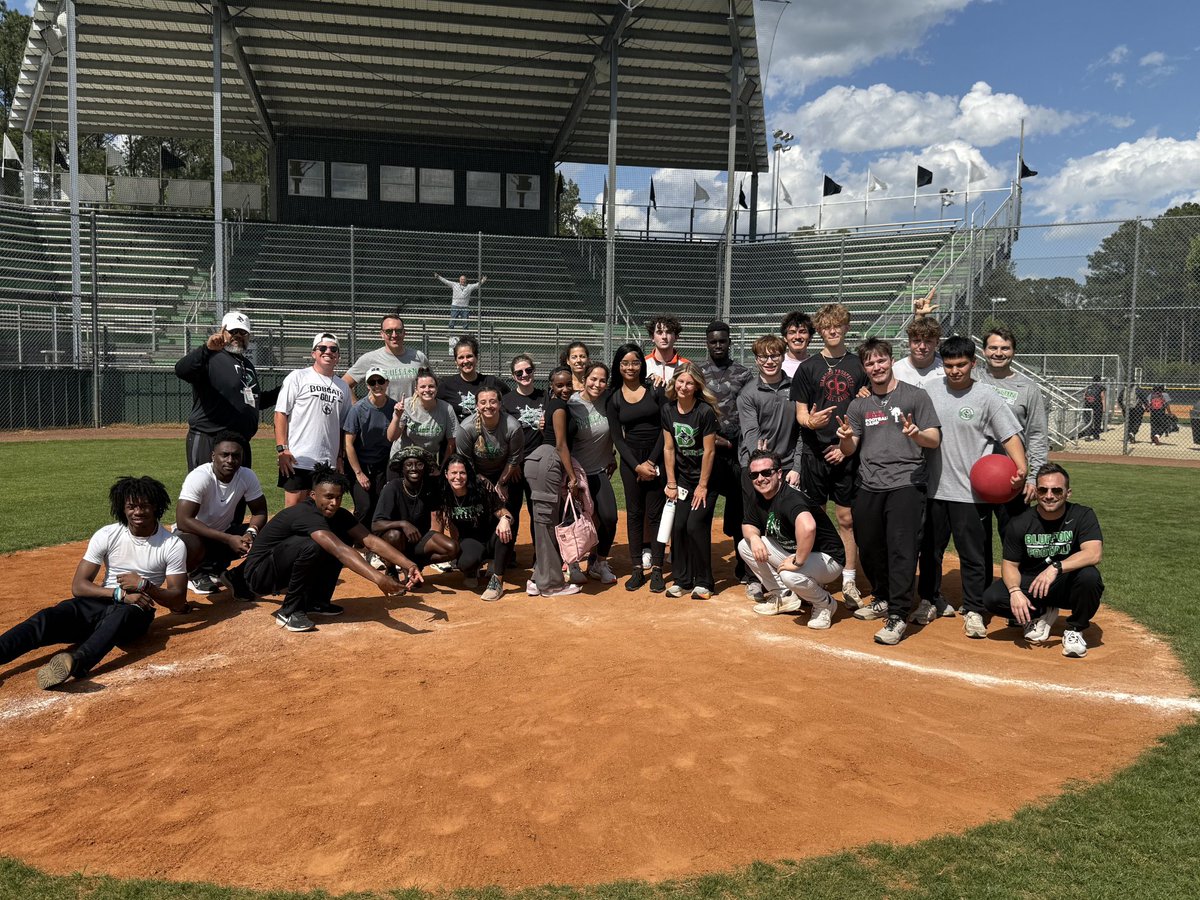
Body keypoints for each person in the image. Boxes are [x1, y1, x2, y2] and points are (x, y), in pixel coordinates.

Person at [1, 476, 188, 689]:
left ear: (156, 507)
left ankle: (75, 663)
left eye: (144, 506)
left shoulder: (172, 544)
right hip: (104, 599)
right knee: (47, 618)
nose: (138, 512)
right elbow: (79, 586)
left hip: (137, 611)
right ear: (122, 508)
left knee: (123, 614)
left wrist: (145, 586)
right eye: (131, 506)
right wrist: (120, 595)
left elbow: (178, 599)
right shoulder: (107, 534)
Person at [835, 340, 942, 645]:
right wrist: (844, 439)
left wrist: (916, 434)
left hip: (906, 484)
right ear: (864, 368)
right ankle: (882, 596)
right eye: (870, 364)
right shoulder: (860, 404)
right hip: (869, 484)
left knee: (901, 548)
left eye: (881, 361)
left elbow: (934, 439)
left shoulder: (914, 396)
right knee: (870, 545)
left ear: (891, 361)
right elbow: (851, 447)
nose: (876, 367)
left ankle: (897, 613)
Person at [234, 464, 422, 632]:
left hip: (279, 567)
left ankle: (318, 602)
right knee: (315, 545)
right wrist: (379, 578)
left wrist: (408, 564)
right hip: (259, 575)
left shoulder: (339, 515)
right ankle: (289, 611)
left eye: (338, 498)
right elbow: (339, 551)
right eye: (328, 497)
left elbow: (370, 540)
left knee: (339, 538)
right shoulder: (306, 513)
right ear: (313, 495)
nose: (334, 503)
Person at [922, 336, 1027, 632]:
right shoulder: (929, 391)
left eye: (961, 365)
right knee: (930, 552)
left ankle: (974, 608)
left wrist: (1021, 468)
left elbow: (1009, 436)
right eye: (950, 365)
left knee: (973, 556)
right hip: (934, 490)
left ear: (973, 363)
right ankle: (929, 599)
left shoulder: (987, 396)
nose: (955, 371)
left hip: (972, 494)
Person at [966, 464, 1103, 658]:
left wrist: (1056, 567)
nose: (1049, 495)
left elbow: (1093, 553)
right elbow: (1010, 565)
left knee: (1090, 577)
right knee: (993, 598)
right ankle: (1040, 614)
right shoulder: (1020, 522)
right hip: (1032, 583)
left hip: (1066, 582)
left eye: (1056, 490)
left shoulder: (1082, 515)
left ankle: (1075, 629)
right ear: (1036, 491)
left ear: (1068, 493)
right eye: (1043, 490)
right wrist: (1014, 592)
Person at [790, 303, 868, 608]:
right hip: (814, 453)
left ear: (846, 327)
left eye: (838, 325)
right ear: (818, 331)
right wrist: (811, 421)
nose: (832, 330)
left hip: (847, 453)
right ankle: (815, 575)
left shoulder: (859, 365)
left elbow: (867, 412)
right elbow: (799, 413)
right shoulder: (808, 367)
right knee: (814, 517)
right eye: (826, 326)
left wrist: (845, 447)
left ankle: (849, 579)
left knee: (846, 518)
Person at [738, 450, 844, 628]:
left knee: (789, 574)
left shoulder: (790, 498)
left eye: (766, 472)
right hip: (800, 552)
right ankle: (784, 595)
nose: (760, 478)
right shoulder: (758, 496)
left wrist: (798, 561)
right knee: (745, 545)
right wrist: (755, 539)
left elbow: (808, 526)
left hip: (828, 560)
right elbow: (748, 524)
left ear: (779, 474)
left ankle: (824, 603)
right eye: (754, 474)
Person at [175, 310, 278, 470]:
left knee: (238, 494)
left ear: (249, 336)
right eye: (233, 331)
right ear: (223, 332)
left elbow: (254, 400)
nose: (238, 335)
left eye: (243, 332)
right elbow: (181, 370)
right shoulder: (211, 357)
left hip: (240, 442)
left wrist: (283, 391)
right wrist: (207, 349)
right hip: (210, 438)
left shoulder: (247, 365)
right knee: (206, 491)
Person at [174, 432, 268, 595]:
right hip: (192, 536)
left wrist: (250, 533)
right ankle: (194, 574)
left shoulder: (246, 476)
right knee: (192, 544)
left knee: (269, 535)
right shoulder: (200, 477)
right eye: (224, 455)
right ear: (213, 456)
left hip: (221, 535)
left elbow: (259, 511)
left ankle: (230, 574)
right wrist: (229, 539)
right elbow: (183, 520)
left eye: (236, 456)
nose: (230, 460)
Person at [976, 327, 1049, 537]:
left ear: (1013, 352)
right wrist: (920, 318)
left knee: (1015, 538)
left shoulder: (1028, 388)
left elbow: (1037, 435)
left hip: (1014, 476)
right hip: (976, 474)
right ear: (984, 351)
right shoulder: (972, 378)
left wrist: (1034, 477)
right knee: (976, 541)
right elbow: (935, 359)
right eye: (993, 347)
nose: (999, 353)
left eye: (1005, 348)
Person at [607, 343, 666, 592]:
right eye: (625, 363)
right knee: (633, 514)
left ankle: (658, 570)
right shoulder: (614, 397)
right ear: (618, 367)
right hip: (631, 462)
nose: (630, 367)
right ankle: (636, 570)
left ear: (642, 364)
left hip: (656, 458)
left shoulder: (655, 389)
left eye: (635, 362)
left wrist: (651, 462)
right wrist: (636, 466)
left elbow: (666, 428)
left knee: (655, 515)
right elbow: (617, 438)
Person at [699, 321, 754, 583]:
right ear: (707, 343)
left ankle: (743, 565)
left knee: (738, 511)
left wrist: (736, 444)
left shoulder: (743, 374)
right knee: (703, 509)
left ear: (730, 342)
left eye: (722, 341)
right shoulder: (698, 373)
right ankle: (699, 566)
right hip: (708, 451)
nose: (718, 345)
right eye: (713, 341)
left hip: (736, 451)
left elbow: (749, 412)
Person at [522, 367, 583, 598]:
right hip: (548, 461)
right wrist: (573, 477)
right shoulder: (558, 406)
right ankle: (551, 585)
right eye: (560, 385)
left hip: (545, 462)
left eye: (568, 384)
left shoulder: (557, 405)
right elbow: (561, 444)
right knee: (547, 525)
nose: (565, 389)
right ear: (551, 386)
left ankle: (538, 579)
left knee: (546, 524)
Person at [661, 362, 720, 599]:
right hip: (683, 478)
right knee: (679, 527)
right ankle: (682, 580)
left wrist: (703, 486)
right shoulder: (667, 410)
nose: (684, 387)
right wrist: (672, 483)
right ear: (674, 383)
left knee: (695, 526)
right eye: (681, 381)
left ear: (697, 387)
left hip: (707, 479)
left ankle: (704, 581)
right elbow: (668, 448)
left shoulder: (704, 412)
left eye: (689, 383)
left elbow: (709, 452)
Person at [275, 332, 353, 508]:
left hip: (328, 461)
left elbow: (343, 426)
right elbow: (280, 413)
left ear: (338, 356)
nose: (328, 351)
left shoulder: (342, 387)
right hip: (298, 457)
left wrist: (340, 456)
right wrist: (282, 450)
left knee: (324, 508)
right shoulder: (298, 377)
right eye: (322, 348)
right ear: (313, 353)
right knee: (294, 507)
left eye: (333, 349)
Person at [569, 362, 618, 584]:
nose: (597, 384)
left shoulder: (609, 401)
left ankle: (599, 562)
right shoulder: (572, 403)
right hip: (576, 472)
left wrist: (612, 455)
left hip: (599, 470)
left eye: (602, 380)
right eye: (593, 379)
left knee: (609, 517)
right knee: (575, 521)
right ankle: (571, 564)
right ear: (584, 378)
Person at [372, 446, 459, 573]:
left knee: (453, 548)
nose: (414, 469)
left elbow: (438, 515)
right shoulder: (392, 487)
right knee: (394, 535)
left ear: (425, 468)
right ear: (402, 469)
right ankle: (391, 569)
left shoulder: (429, 487)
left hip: (418, 539)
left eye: (419, 464)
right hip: (394, 541)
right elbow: (375, 525)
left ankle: (416, 564)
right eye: (408, 465)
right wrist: (403, 524)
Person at [442, 454, 516, 602]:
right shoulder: (444, 493)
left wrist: (505, 519)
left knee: (506, 530)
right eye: (454, 473)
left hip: (491, 538)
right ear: (446, 474)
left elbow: (505, 513)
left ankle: (497, 580)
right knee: (465, 563)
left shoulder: (481, 488)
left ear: (468, 474)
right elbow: (450, 524)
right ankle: (472, 568)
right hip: (470, 540)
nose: (458, 477)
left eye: (462, 473)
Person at [500, 353, 546, 546]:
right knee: (513, 507)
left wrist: (546, 428)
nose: (524, 375)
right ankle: (509, 553)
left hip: (539, 462)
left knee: (538, 509)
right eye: (519, 372)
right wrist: (513, 462)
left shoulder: (545, 396)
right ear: (513, 376)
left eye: (528, 370)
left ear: (534, 371)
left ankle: (540, 554)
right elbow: (503, 436)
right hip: (516, 463)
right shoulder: (507, 400)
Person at [344, 366, 398, 527]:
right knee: (364, 506)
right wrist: (359, 473)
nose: (377, 385)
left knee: (381, 505)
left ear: (387, 383)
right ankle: (357, 544)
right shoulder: (358, 409)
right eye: (372, 382)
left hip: (382, 465)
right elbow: (348, 444)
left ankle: (376, 544)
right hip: (359, 464)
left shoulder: (394, 408)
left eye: (380, 381)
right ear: (367, 385)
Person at [342, 313, 429, 402]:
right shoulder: (370, 359)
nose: (394, 335)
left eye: (398, 331)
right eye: (389, 331)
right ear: (382, 334)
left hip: (412, 415)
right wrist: (356, 408)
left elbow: (431, 384)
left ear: (404, 333)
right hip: (382, 415)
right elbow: (344, 383)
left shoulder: (419, 357)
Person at [387, 368, 458, 472]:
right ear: (416, 390)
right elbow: (391, 437)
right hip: (402, 461)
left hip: (426, 462)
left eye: (431, 386)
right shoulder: (407, 405)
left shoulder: (446, 409)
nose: (427, 390)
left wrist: (443, 468)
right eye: (423, 387)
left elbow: (452, 442)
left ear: (437, 389)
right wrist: (397, 417)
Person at [438, 336, 508, 420]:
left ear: (476, 358)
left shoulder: (491, 382)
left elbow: (510, 398)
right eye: (461, 357)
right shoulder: (446, 384)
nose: (466, 361)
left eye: (469, 356)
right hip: (460, 432)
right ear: (456, 362)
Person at [436, 272, 487, 351]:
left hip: (464, 307)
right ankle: (450, 334)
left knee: (465, 322)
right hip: (455, 306)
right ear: (459, 280)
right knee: (452, 320)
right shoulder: (454, 284)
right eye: (461, 279)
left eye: (464, 279)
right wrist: (439, 277)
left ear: (466, 280)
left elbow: (477, 285)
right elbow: (446, 281)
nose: (462, 281)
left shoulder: (469, 287)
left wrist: (483, 280)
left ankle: (465, 335)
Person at [892, 316, 944, 388]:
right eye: (917, 341)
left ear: (937, 343)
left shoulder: (946, 370)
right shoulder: (895, 370)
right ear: (909, 342)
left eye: (928, 341)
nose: (922, 347)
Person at [644, 314, 689, 386]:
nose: (664, 336)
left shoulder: (687, 365)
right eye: (659, 332)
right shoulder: (643, 364)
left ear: (676, 337)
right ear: (652, 337)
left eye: (669, 332)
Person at [779, 311, 815, 378]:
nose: (797, 337)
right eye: (792, 332)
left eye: (802, 332)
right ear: (785, 338)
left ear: (810, 337)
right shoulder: (778, 364)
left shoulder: (816, 364)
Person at [1082, 375, 1106, 441]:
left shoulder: (1089, 387)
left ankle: (1087, 435)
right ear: (1100, 380)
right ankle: (1096, 436)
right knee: (1097, 421)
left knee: (1088, 421)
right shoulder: (1101, 387)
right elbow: (1102, 397)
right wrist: (1104, 408)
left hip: (1088, 406)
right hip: (1098, 406)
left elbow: (1084, 396)